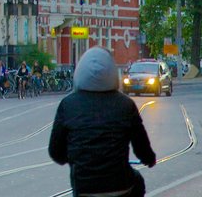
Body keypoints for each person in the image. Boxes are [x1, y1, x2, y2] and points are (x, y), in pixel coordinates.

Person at [49, 47, 156, 196]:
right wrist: (149, 159)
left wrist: (75, 159)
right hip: (120, 185)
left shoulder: (68, 104)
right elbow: (141, 146)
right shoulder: (125, 104)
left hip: (84, 187)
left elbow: (55, 152)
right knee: (138, 182)